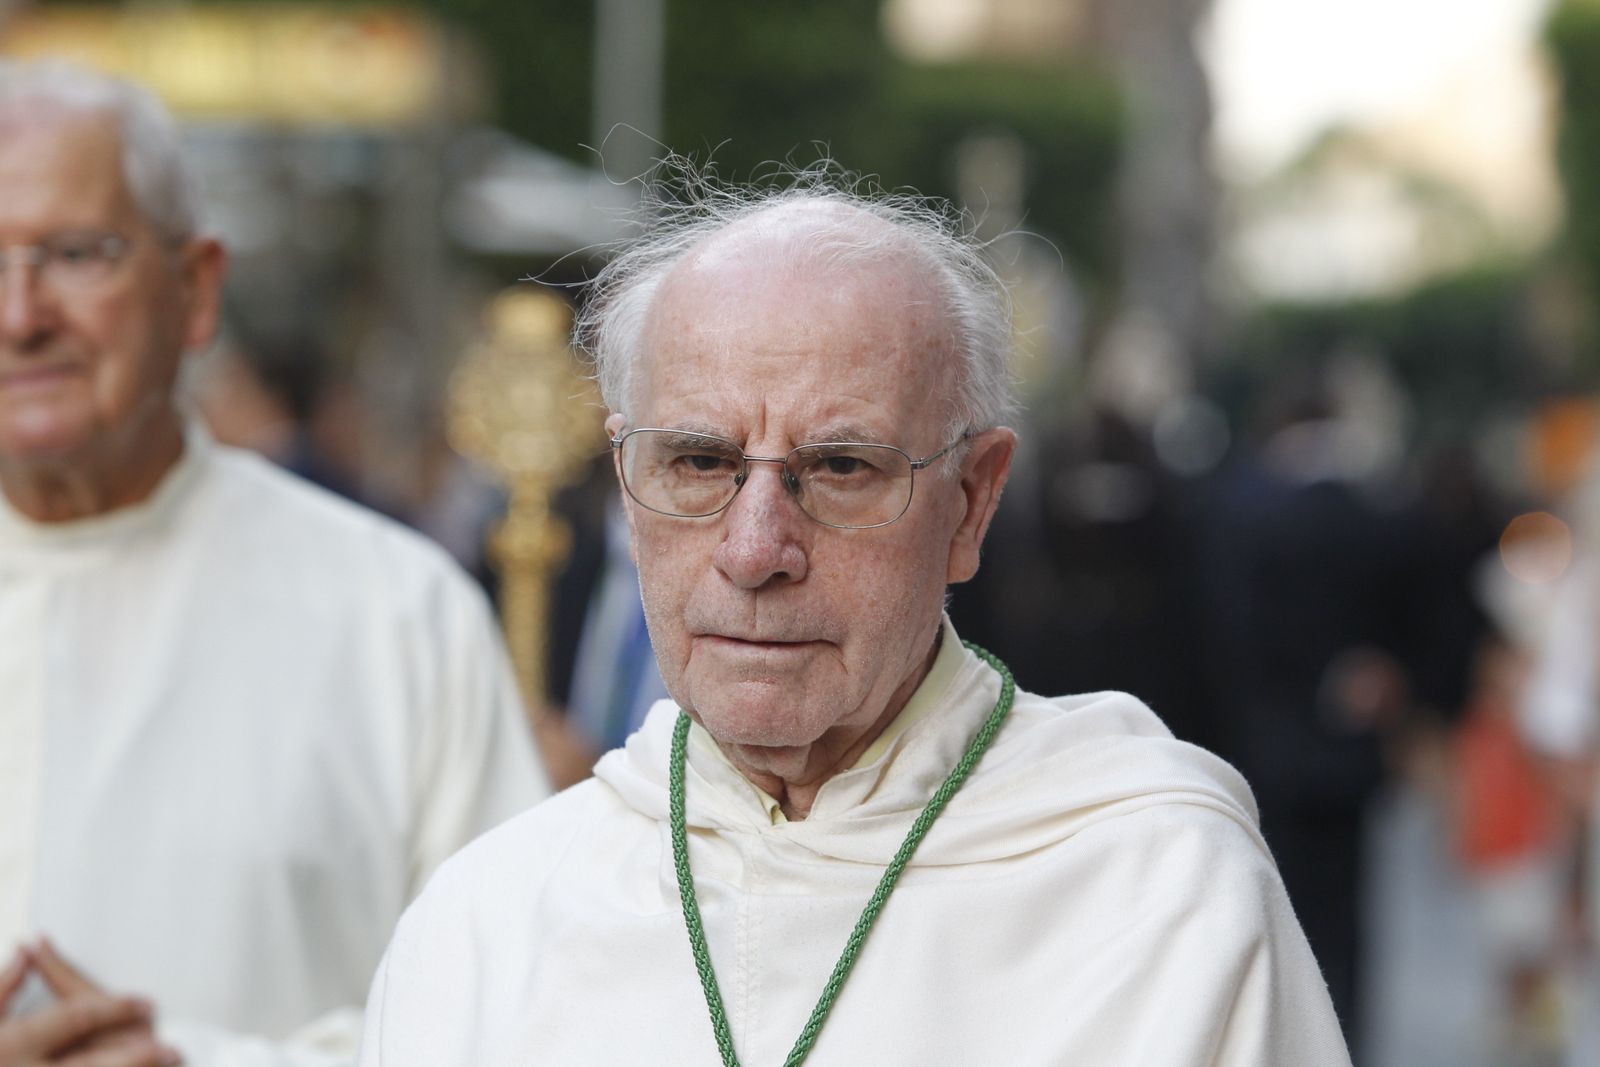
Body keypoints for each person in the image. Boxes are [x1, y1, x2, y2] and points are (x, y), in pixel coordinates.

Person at [357, 177, 1351, 1065]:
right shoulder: (485, 920)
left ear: (972, 500)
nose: (754, 550)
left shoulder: (1161, 896)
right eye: (698, 462)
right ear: (626, 479)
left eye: (839, 467)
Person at [0, 61, 547, 1065]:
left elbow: (514, 1015)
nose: (21, 314)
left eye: (74, 253)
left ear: (195, 287)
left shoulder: (394, 612)